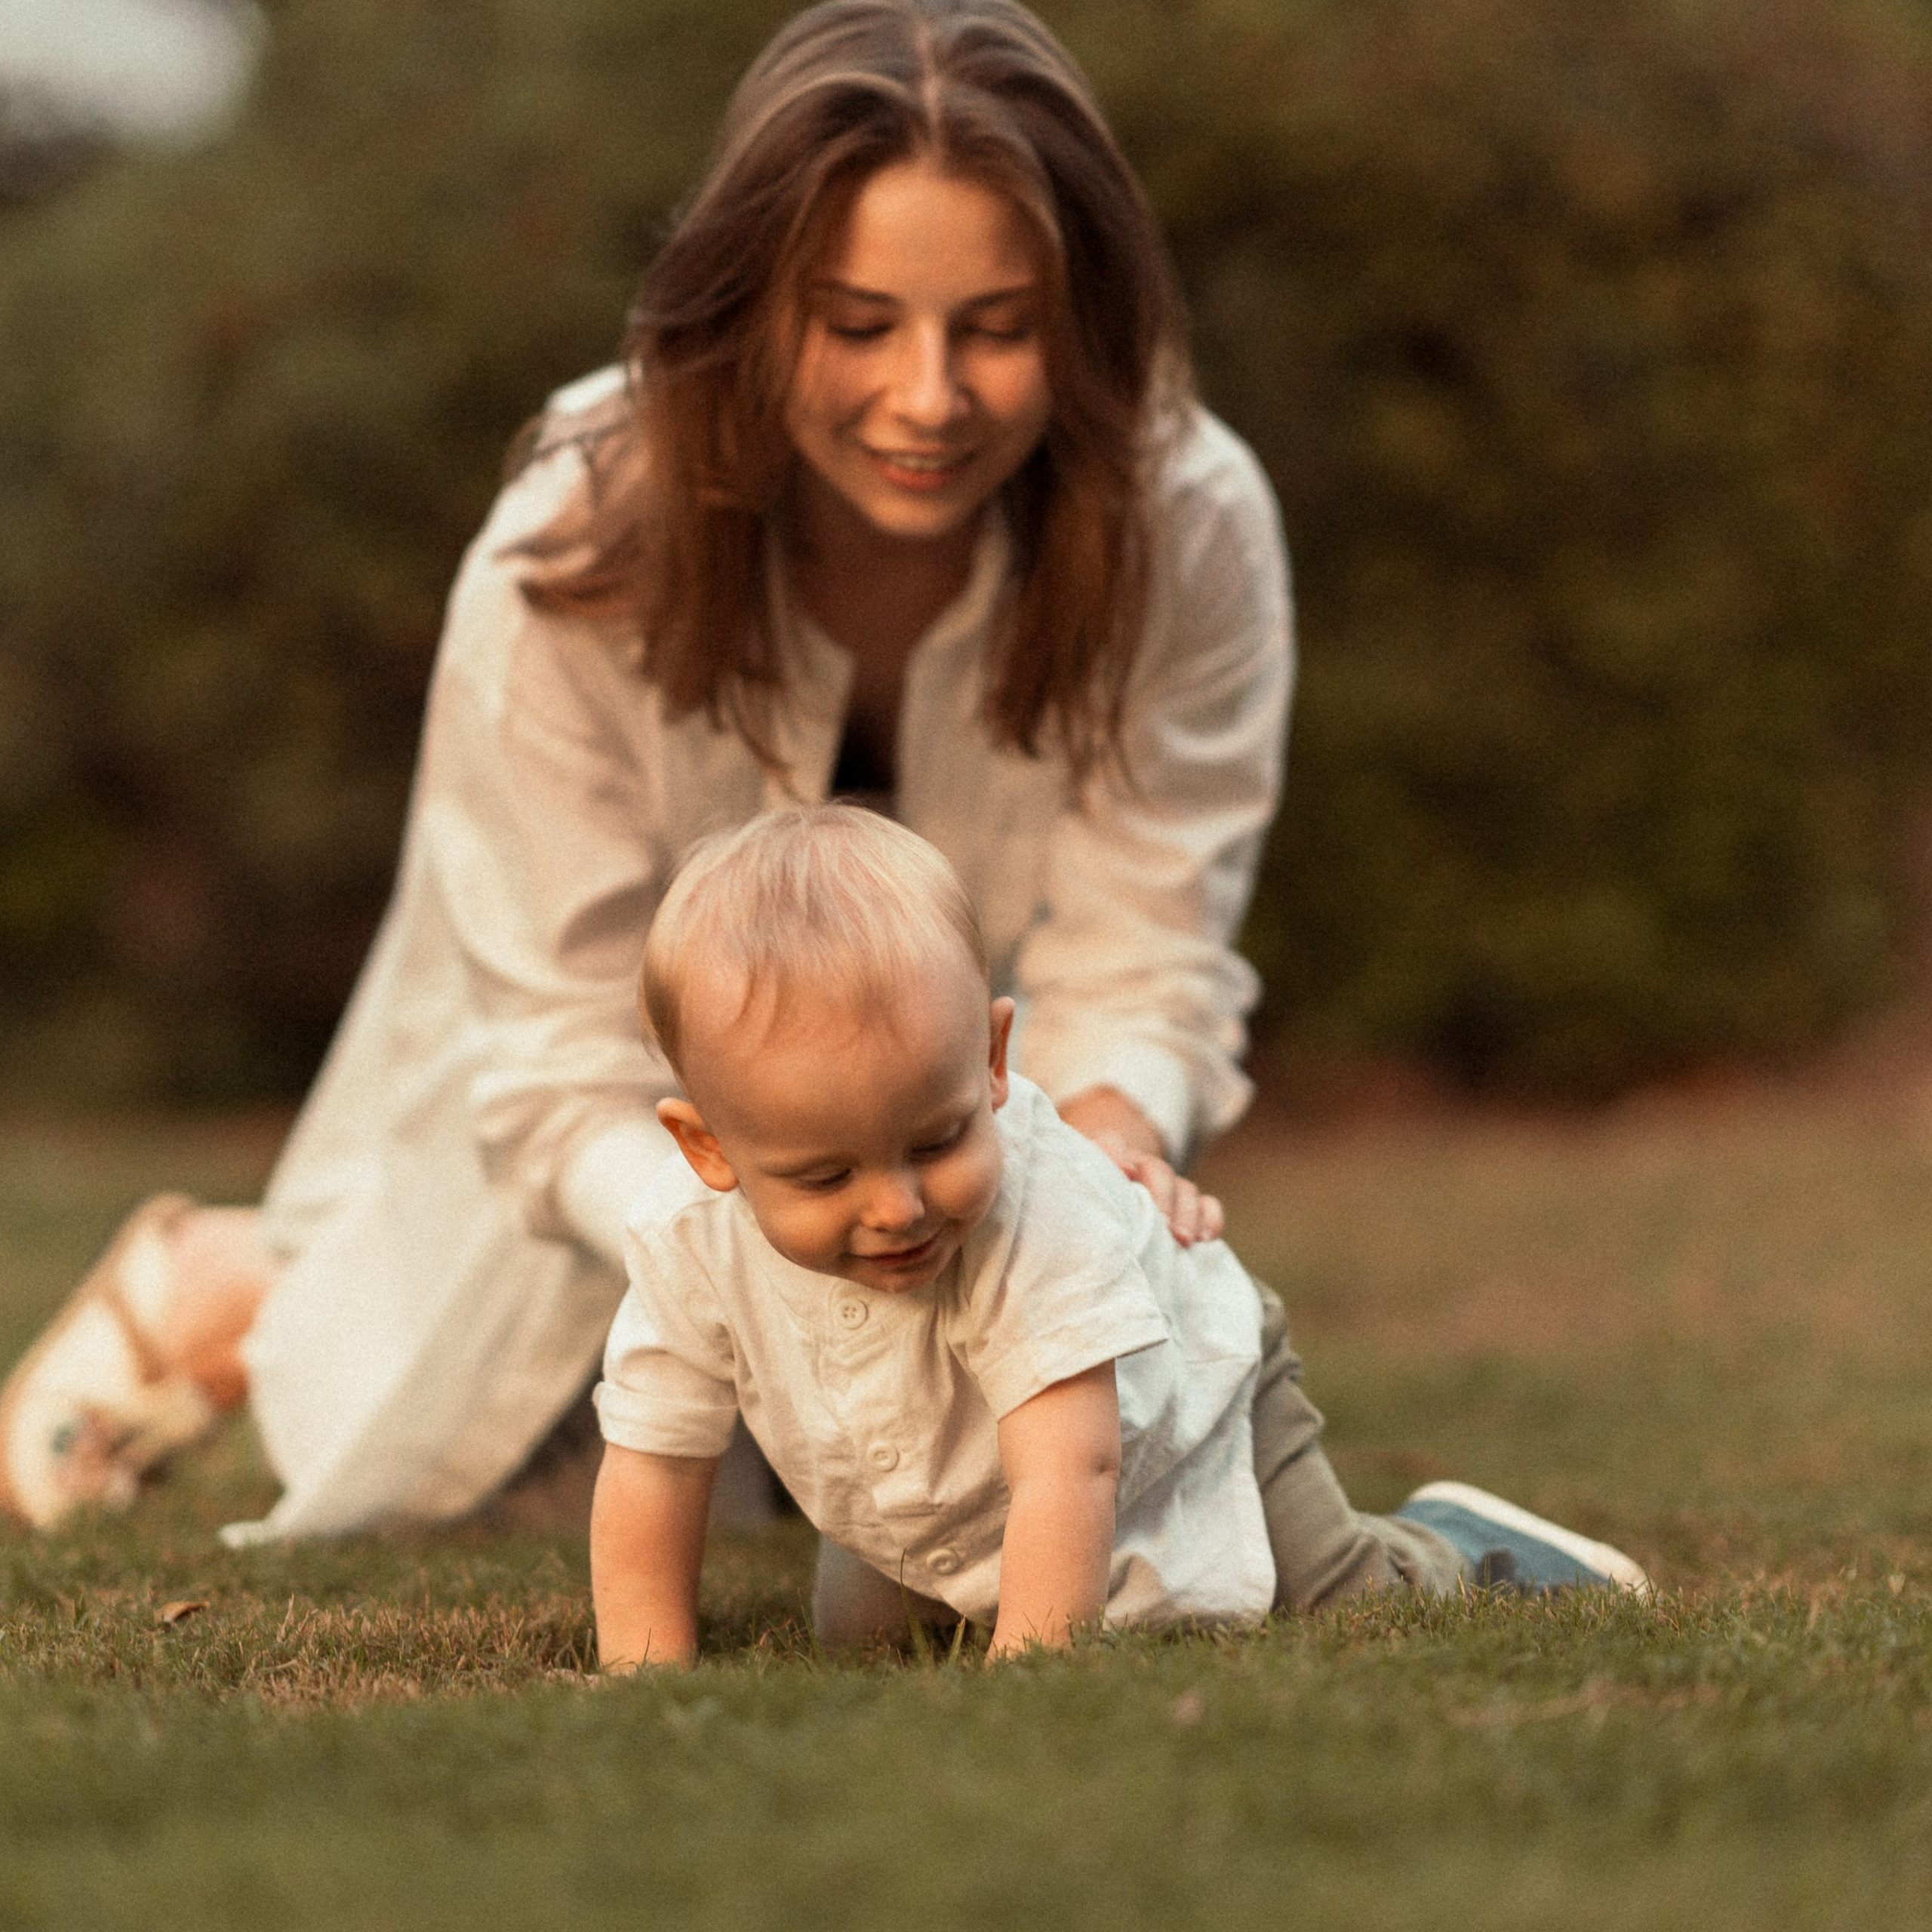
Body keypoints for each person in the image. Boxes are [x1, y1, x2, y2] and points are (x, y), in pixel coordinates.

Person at [0, 0, 1291, 1539]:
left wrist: (1097, 1157)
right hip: (609, 1135)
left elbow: (1146, 939)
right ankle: (242, 1286)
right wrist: (761, 1267)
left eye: (996, 327)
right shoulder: (569, 542)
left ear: (1081, 318)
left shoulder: (1186, 521)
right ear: (751, 304)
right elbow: (557, 1054)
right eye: (859, 323)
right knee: (485, 1471)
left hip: (932, 1156)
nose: (929, 397)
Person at [591, 808, 1649, 1667]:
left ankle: (1465, 1544)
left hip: (1183, 1388)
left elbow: (1071, 1469)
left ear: (996, 1062)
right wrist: (645, 1670)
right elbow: (654, 1462)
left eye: (940, 1138)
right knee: (865, 1638)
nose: (899, 1207)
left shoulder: (1035, 1215)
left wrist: (1033, 1677)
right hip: (941, 1466)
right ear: (708, 1150)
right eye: (826, 1175)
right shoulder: (690, 1243)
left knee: (1339, 1597)